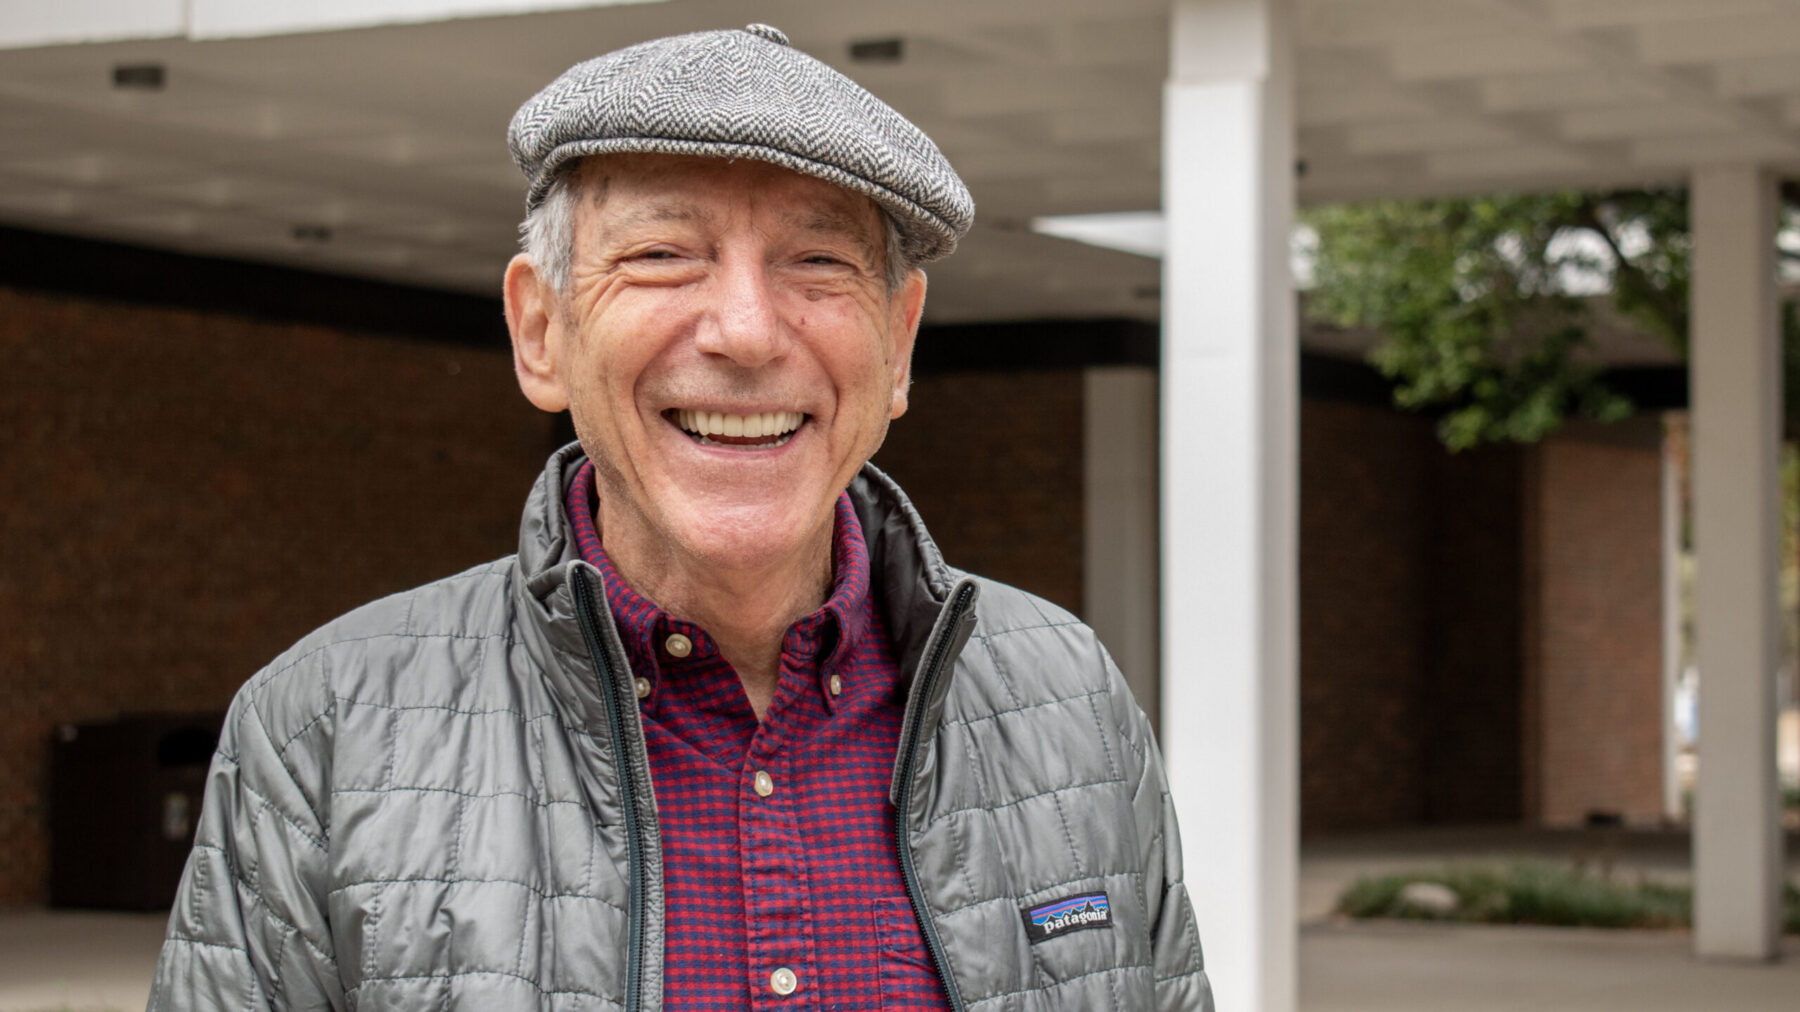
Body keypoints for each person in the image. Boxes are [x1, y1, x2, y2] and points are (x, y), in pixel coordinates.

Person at [150, 23, 1211, 1012]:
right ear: (540, 332)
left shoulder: (1068, 703)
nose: (747, 331)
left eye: (819, 262)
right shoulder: (321, 731)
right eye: (663, 253)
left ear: (899, 344)